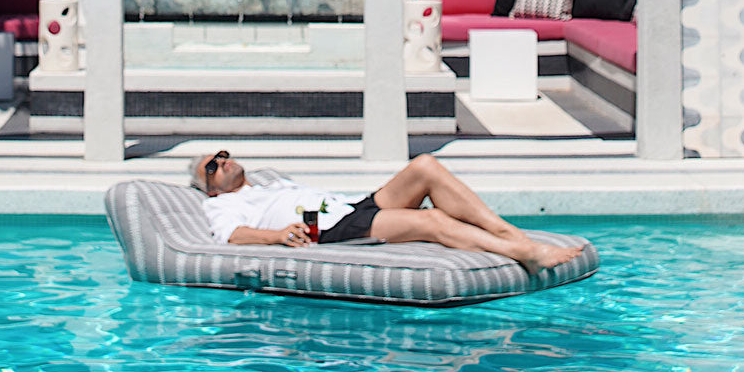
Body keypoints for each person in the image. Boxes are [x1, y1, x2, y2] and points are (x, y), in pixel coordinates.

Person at [191, 151, 584, 275]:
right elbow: (230, 236)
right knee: (430, 221)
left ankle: (510, 234)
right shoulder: (221, 204)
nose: (223, 162)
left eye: (223, 155)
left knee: (425, 166)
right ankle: (525, 254)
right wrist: (275, 237)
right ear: (208, 186)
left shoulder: (267, 185)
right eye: (213, 166)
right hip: (332, 232)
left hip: (352, 209)